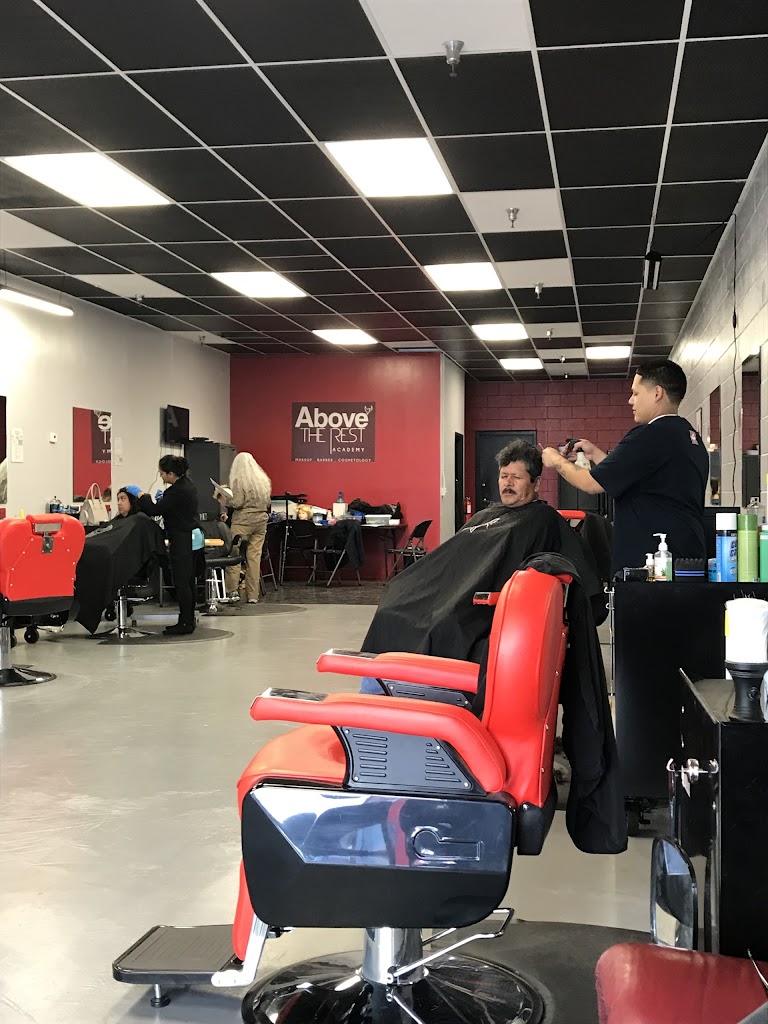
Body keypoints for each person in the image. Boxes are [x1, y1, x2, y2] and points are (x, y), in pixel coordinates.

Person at [541, 360, 709, 578]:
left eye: (636, 393)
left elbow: (590, 484)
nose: (631, 400)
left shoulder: (649, 435)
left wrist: (556, 460)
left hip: (652, 568)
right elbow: (639, 480)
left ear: (657, 393)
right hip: (688, 560)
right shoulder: (690, 438)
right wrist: (596, 455)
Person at [137, 455, 200, 635]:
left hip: (181, 538)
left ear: (171, 474)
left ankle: (185, 622)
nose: (161, 476)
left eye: (162, 474)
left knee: (181, 582)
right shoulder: (188, 485)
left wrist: (143, 496)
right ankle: (188, 619)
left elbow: (155, 510)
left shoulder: (177, 491)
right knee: (189, 581)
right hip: (193, 536)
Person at [222, 453, 271, 604]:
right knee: (254, 558)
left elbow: (237, 503)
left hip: (242, 522)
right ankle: (253, 595)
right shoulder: (263, 480)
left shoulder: (239, 480)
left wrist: (223, 497)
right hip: (260, 522)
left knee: (234, 556)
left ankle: (232, 592)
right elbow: (267, 502)